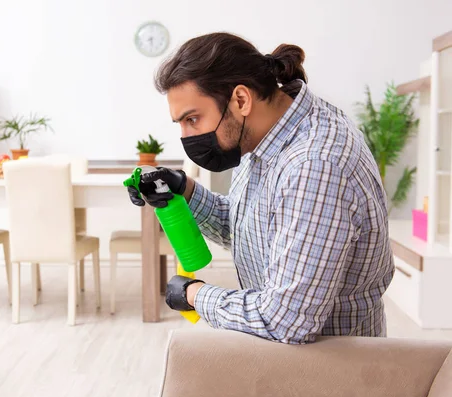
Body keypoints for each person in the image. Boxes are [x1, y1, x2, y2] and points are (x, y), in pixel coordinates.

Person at [126, 32, 395, 345]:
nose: (187, 136)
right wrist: (184, 189)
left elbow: (286, 321)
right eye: (181, 124)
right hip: (292, 359)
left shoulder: (314, 166)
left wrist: (194, 294)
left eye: (193, 119)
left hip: (333, 372)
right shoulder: (264, 137)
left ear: (241, 100)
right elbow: (251, 229)